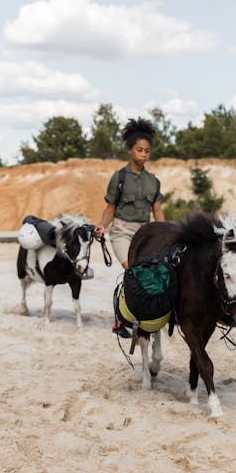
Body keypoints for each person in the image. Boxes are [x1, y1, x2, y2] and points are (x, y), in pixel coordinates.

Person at [94, 117, 165, 338]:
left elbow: (157, 209)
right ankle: (120, 318)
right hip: (122, 232)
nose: (144, 154)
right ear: (130, 150)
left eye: (147, 151)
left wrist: (166, 234)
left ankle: (152, 315)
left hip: (145, 233)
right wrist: (102, 226)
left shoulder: (153, 180)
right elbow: (111, 207)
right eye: (139, 150)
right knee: (132, 270)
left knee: (154, 273)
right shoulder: (120, 178)